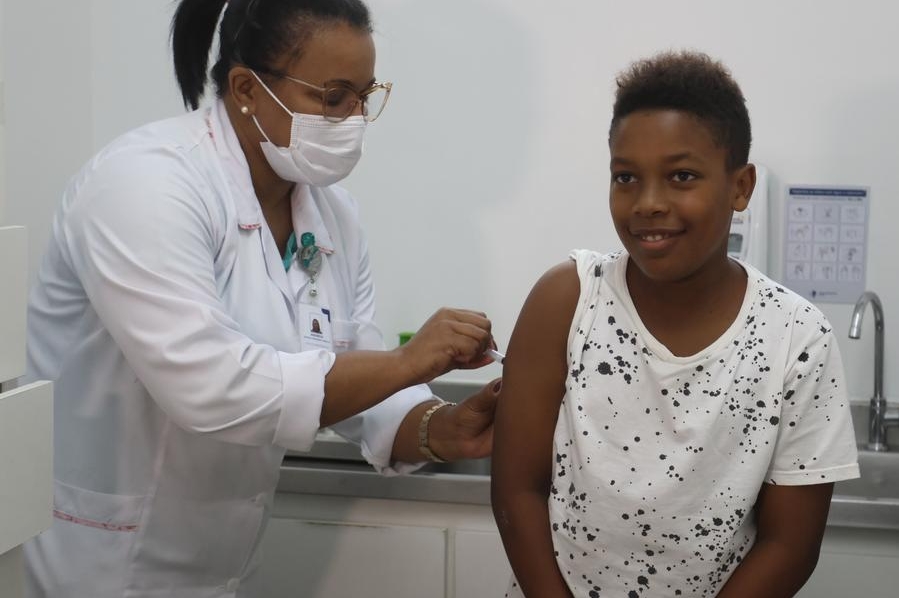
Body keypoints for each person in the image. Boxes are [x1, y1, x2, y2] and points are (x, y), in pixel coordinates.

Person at [23, 0, 501, 596]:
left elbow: (366, 381)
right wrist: (408, 362)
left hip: (226, 565)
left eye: (364, 96)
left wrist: (443, 426)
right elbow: (214, 389)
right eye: (333, 97)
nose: (354, 119)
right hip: (103, 563)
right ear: (246, 87)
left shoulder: (332, 215)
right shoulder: (145, 186)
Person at [491, 50, 859, 598]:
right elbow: (517, 489)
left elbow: (789, 545)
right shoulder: (568, 300)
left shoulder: (796, 338)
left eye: (681, 176)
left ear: (741, 186)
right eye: (626, 177)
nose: (649, 203)